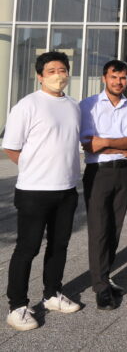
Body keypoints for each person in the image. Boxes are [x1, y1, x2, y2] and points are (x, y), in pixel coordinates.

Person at [3, 51, 82, 331]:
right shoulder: (27, 105)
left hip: (67, 189)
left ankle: (51, 294)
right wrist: (34, 168)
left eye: (62, 69)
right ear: (40, 76)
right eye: (51, 70)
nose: (58, 75)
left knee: (59, 246)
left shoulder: (73, 106)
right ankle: (17, 306)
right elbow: (11, 147)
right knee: (28, 248)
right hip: (35, 191)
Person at [80, 60, 127, 310]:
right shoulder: (88, 105)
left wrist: (106, 142)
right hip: (98, 172)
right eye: (114, 77)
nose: (119, 82)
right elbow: (88, 144)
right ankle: (101, 287)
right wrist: (116, 146)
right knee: (99, 230)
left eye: (123, 77)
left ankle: (104, 274)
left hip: (123, 174)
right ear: (104, 78)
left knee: (114, 229)